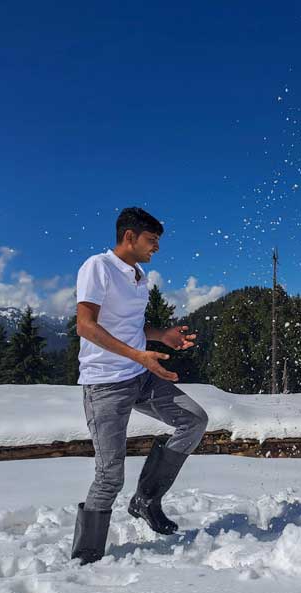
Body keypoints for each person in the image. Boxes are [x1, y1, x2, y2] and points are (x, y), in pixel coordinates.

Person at [71, 207, 209, 564]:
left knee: (193, 420)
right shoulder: (98, 267)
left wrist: (161, 335)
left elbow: (130, 325)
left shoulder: (138, 275)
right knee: (109, 476)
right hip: (105, 386)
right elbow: (85, 325)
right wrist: (137, 354)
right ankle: (86, 558)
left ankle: (146, 499)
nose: (156, 247)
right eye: (152, 240)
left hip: (140, 376)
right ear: (129, 236)